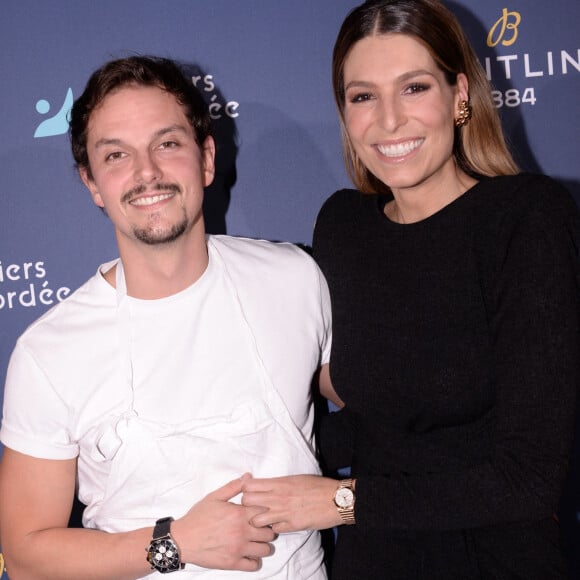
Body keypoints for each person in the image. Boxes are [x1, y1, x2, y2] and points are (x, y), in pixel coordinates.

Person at [241, 0, 580, 578]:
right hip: (373, 560)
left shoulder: (527, 219)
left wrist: (339, 501)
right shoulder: (344, 226)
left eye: (414, 87)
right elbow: (379, 420)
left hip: (494, 559)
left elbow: (528, 480)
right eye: (363, 96)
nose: (389, 120)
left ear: (460, 94)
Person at [0, 56, 332, 579]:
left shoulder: (295, 280)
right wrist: (174, 542)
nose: (146, 172)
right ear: (92, 184)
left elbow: (388, 411)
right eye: (116, 155)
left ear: (206, 158)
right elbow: (24, 557)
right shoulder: (50, 352)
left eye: (167, 144)